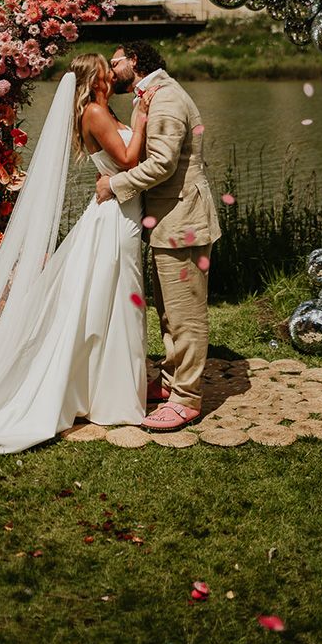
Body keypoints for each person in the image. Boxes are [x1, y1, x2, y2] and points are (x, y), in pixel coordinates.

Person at [0, 54, 158, 470]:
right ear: (95, 79)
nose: (114, 74)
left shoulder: (101, 108)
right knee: (115, 295)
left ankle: (104, 388)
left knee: (110, 299)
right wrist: (142, 118)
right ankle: (111, 395)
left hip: (119, 211)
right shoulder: (94, 111)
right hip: (115, 217)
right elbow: (128, 160)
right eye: (107, 70)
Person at [96, 42, 221, 434]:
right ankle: (170, 382)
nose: (110, 69)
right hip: (168, 219)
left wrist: (115, 185)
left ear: (133, 61)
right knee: (169, 311)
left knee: (186, 314)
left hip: (183, 219)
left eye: (114, 62)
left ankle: (186, 399)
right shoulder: (150, 96)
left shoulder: (165, 98)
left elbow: (164, 165)